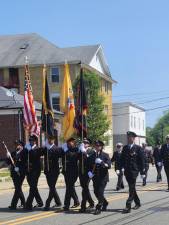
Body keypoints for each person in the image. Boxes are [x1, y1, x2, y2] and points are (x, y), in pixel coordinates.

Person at [120, 131, 145, 213]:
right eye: (128, 137)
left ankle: (128, 205)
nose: (128, 138)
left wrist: (142, 172)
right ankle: (138, 203)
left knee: (131, 187)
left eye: (130, 137)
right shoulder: (125, 148)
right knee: (132, 188)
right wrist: (120, 168)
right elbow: (122, 159)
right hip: (127, 171)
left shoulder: (138, 148)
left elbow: (141, 160)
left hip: (134, 171)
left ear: (133, 138)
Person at [88, 140, 111, 215]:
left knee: (100, 192)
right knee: (95, 192)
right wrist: (89, 172)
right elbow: (88, 165)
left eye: (99, 146)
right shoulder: (92, 155)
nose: (97, 147)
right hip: (95, 177)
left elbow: (109, 166)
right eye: (96, 146)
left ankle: (98, 207)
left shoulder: (105, 155)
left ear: (101, 147)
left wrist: (101, 162)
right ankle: (105, 202)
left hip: (103, 177)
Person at [23, 135, 43, 210]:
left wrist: (30, 150)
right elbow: (23, 157)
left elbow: (34, 156)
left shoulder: (37, 149)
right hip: (28, 171)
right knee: (33, 187)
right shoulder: (27, 149)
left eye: (32, 141)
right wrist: (25, 149)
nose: (31, 142)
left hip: (36, 171)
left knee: (32, 187)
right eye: (30, 141)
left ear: (35, 141)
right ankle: (40, 202)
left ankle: (28, 204)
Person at [43, 135, 62, 211]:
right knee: (52, 187)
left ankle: (47, 204)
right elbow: (39, 153)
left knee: (52, 187)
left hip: (54, 171)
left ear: (54, 140)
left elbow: (59, 154)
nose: (50, 140)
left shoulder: (56, 148)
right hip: (47, 171)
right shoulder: (46, 148)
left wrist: (49, 149)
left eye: (51, 139)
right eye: (49, 139)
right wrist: (44, 147)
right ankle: (58, 202)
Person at [61, 137, 80, 211]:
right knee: (70, 187)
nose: (69, 144)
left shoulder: (76, 149)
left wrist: (66, 151)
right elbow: (59, 154)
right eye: (68, 142)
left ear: (73, 143)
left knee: (69, 187)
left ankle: (67, 204)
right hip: (66, 171)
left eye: (71, 142)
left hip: (74, 172)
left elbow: (73, 157)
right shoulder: (65, 149)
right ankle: (76, 202)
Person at [6, 140, 26, 210]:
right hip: (14, 174)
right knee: (18, 189)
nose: (16, 146)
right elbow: (8, 162)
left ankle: (14, 204)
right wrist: (8, 156)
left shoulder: (24, 153)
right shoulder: (13, 153)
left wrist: (20, 169)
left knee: (18, 188)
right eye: (15, 144)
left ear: (21, 145)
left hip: (20, 174)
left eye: (18, 144)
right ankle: (23, 204)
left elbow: (24, 163)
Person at [78, 138, 95, 213]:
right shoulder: (80, 150)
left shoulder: (91, 151)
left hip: (88, 172)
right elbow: (76, 158)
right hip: (81, 172)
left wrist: (84, 152)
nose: (84, 143)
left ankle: (83, 206)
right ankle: (91, 202)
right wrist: (78, 151)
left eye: (86, 142)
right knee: (84, 187)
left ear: (89, 144)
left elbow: (90, 159)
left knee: (84, 188)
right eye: (83, 142)